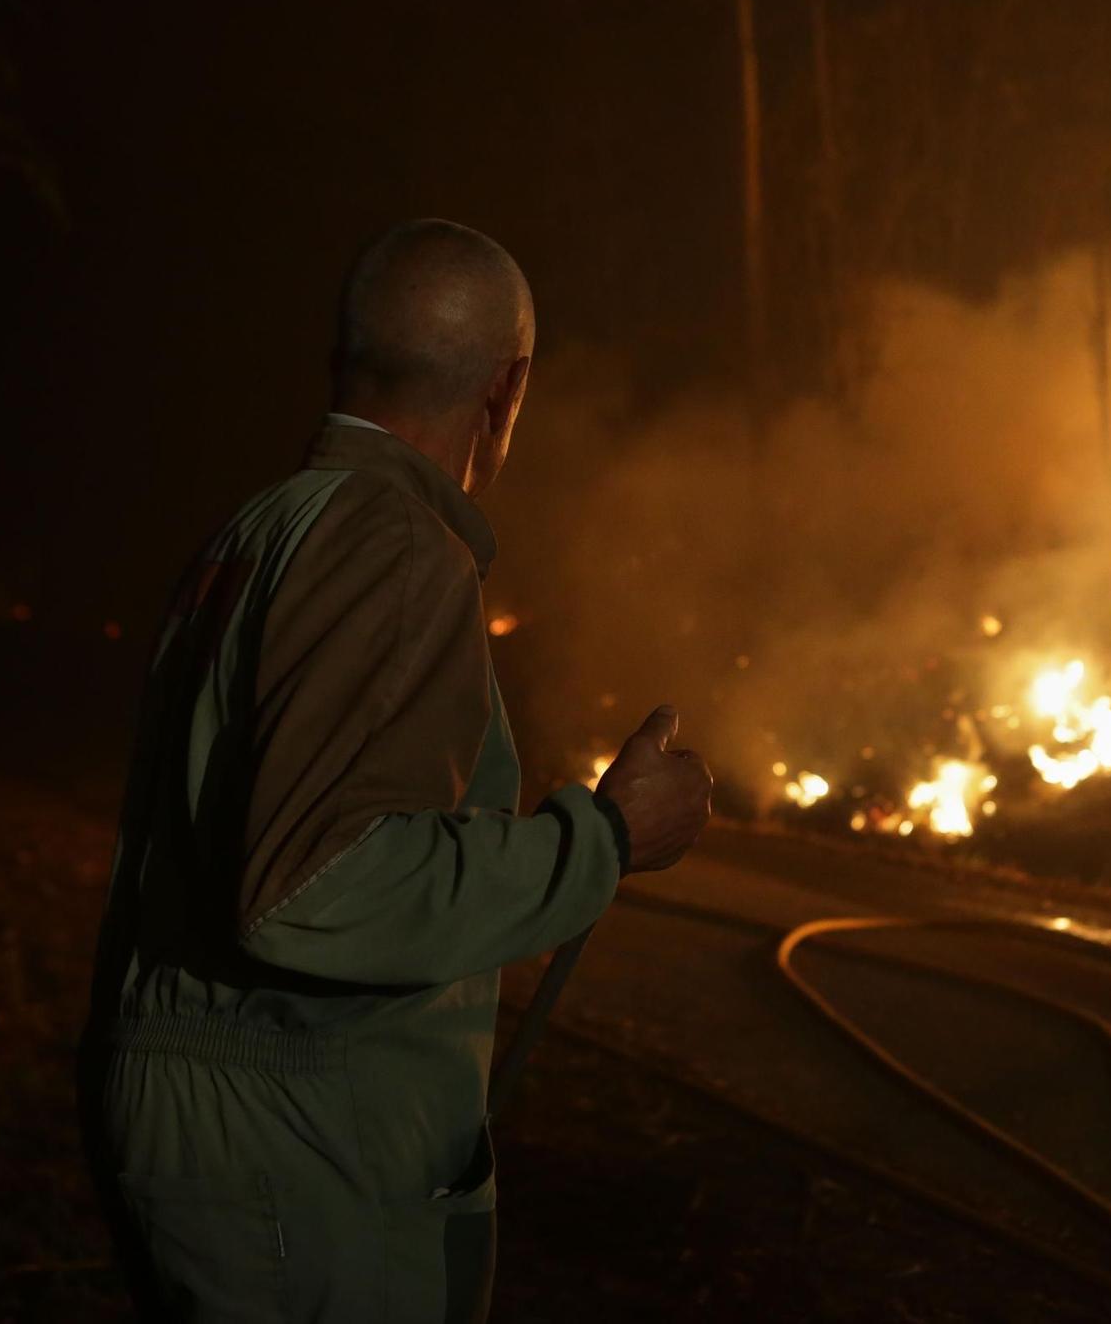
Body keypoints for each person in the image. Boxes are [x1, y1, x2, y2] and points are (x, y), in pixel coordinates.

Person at [77, 219, 712, 1322]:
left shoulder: (260, 528)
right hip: (301, 1142)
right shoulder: (393, 544)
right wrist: (602, 841)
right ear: (506, 389)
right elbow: (313, 885)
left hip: (207, 1116)